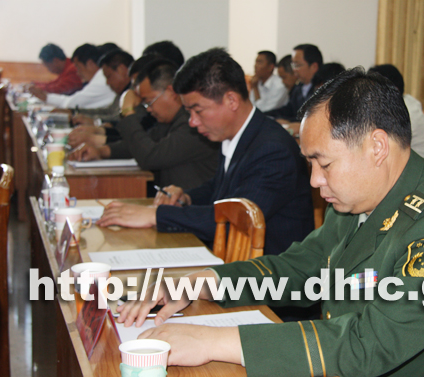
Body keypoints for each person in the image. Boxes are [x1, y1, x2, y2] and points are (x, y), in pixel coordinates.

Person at [117, 68, 424, 377]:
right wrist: (203, 281)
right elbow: (302, 266)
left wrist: (211, 342)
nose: (314, 181)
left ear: (377, 146)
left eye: (323, 164)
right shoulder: (361, 197)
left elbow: (369, 342)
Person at [97, 48, 314, 255]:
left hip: (268, 273)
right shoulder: (237, 134)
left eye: (198, 111)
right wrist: (187, 197)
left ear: (231, 100)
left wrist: (156, 215)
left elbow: (235, 220)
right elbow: (221, 190)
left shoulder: (273, 150)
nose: (192, 122)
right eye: (188, 112)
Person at [71, 59, 220, 191]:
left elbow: (150, 157)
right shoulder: (171, 120)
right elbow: (141, 145)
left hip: (193, 207)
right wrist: (101, 151)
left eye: (149, 101)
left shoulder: (193, 125)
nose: (148, 109)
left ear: (171, 92)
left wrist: (128, 111)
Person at [369, 64, 424, 165]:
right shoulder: (404, 102)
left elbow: (383, 150)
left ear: (393, 89)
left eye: (374, 90)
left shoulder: (402, 113)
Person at [29, 44, 115, 109]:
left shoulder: (102, 79)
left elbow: (72, 103)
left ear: (90, 64)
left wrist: (46, 97)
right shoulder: (99, 77)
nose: (78, 73)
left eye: (78, 67)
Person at [71, 49, 135, 126]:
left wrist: (96, 122)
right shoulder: (122, 91)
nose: (107, 83)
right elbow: (108, 111)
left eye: (109, 76)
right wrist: (76, 112)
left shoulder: (135, 92)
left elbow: (118, 119)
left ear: (122, 69)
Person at [266, 44, 323, 122]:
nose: (294, 70)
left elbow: (312, 118)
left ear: (314, 67)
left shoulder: (323, 89)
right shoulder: (298, 88)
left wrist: (289, 122)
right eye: (293, 65)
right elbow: (289, 110)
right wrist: (266, 115)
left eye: (297, 65)